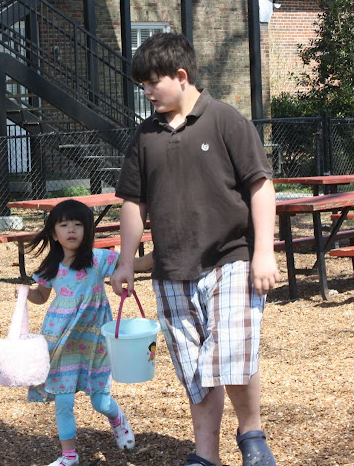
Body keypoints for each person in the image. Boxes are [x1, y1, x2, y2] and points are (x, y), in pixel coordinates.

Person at [110, 32, 280, 466]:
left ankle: (252, 434)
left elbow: (261, 186)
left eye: (153, 83)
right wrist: (126, 262)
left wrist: (264, 252)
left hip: (231, 259)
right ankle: (206, 455)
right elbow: (133, 203)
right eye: (143, 86)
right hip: (171, 269)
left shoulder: (225, 120)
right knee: (194, 369)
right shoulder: (145, 136)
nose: (147, 93)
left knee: (231, 350)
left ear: (181, 76)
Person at [25, 199, 152, 466]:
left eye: (78, 224)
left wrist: (161, 253)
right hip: (62, 341)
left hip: (94, 342)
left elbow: (136, 264)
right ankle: (69, 455)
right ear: (54, 234)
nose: (71, 230)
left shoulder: (98, 259)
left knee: (100, 402)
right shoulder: (50, 267)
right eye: (64, 225)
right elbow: (41, 296)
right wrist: (26, 293)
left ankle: (117, 419)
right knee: (63, 401)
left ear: (88, 231)